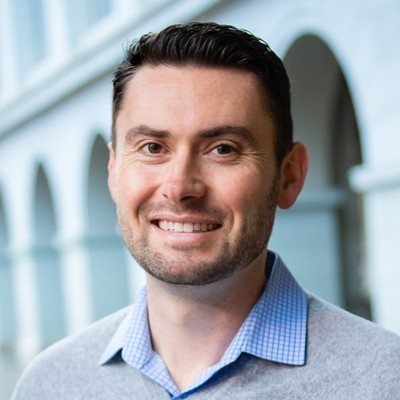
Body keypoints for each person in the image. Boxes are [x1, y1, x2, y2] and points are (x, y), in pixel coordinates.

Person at [12, 22, 400, 399]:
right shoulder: (49, 385)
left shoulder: (385, 380)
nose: (180, 187)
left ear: (290, 176)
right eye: (152, 148)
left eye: (223, 149)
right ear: (114, 172)